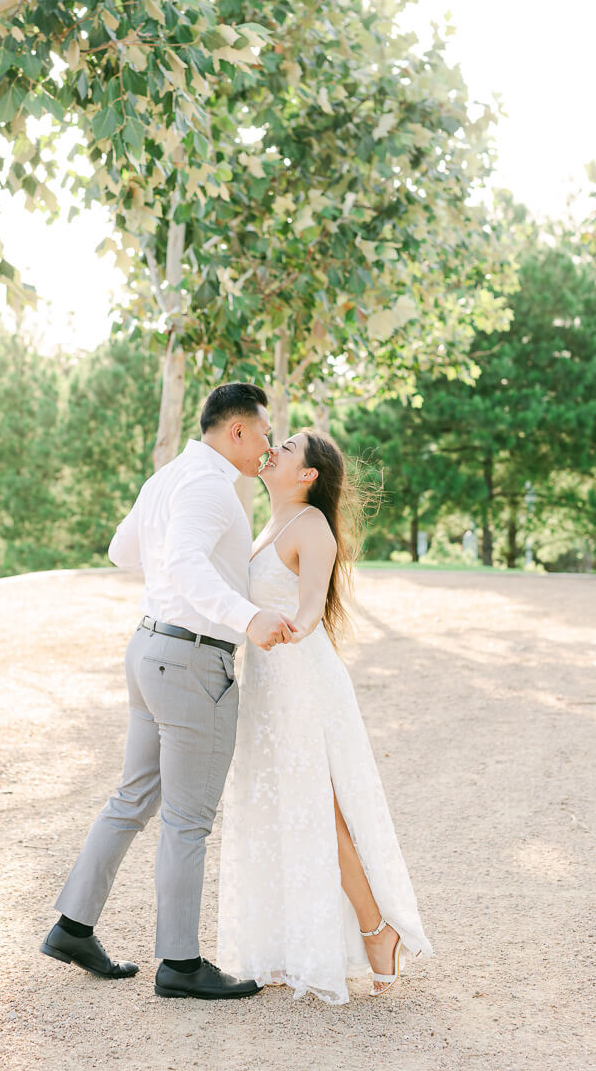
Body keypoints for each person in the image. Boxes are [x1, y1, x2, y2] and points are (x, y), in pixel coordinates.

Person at [40, 383, 296, 1000]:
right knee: (187, 821)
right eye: (264, 431)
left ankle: (73, 926)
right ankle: (180, 965)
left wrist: (173, 578)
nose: (268, 443)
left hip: (148, 647)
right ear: (236, 431)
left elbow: (121, 549)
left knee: (132, 799)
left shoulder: (169, 477)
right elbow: (182, 564)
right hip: (188, 661)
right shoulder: (210, 487)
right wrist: (246, 617)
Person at [217, 429, 433, 1003]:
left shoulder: (311, 525)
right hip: (267, 680)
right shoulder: (266, 524)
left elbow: (312, 599)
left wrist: (301, 625)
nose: (276, 447)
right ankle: (291, 944)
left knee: (319, 806)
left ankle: (377, 929)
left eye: (288, 446)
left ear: (308, 474)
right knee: (278, 805)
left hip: (299, 676)